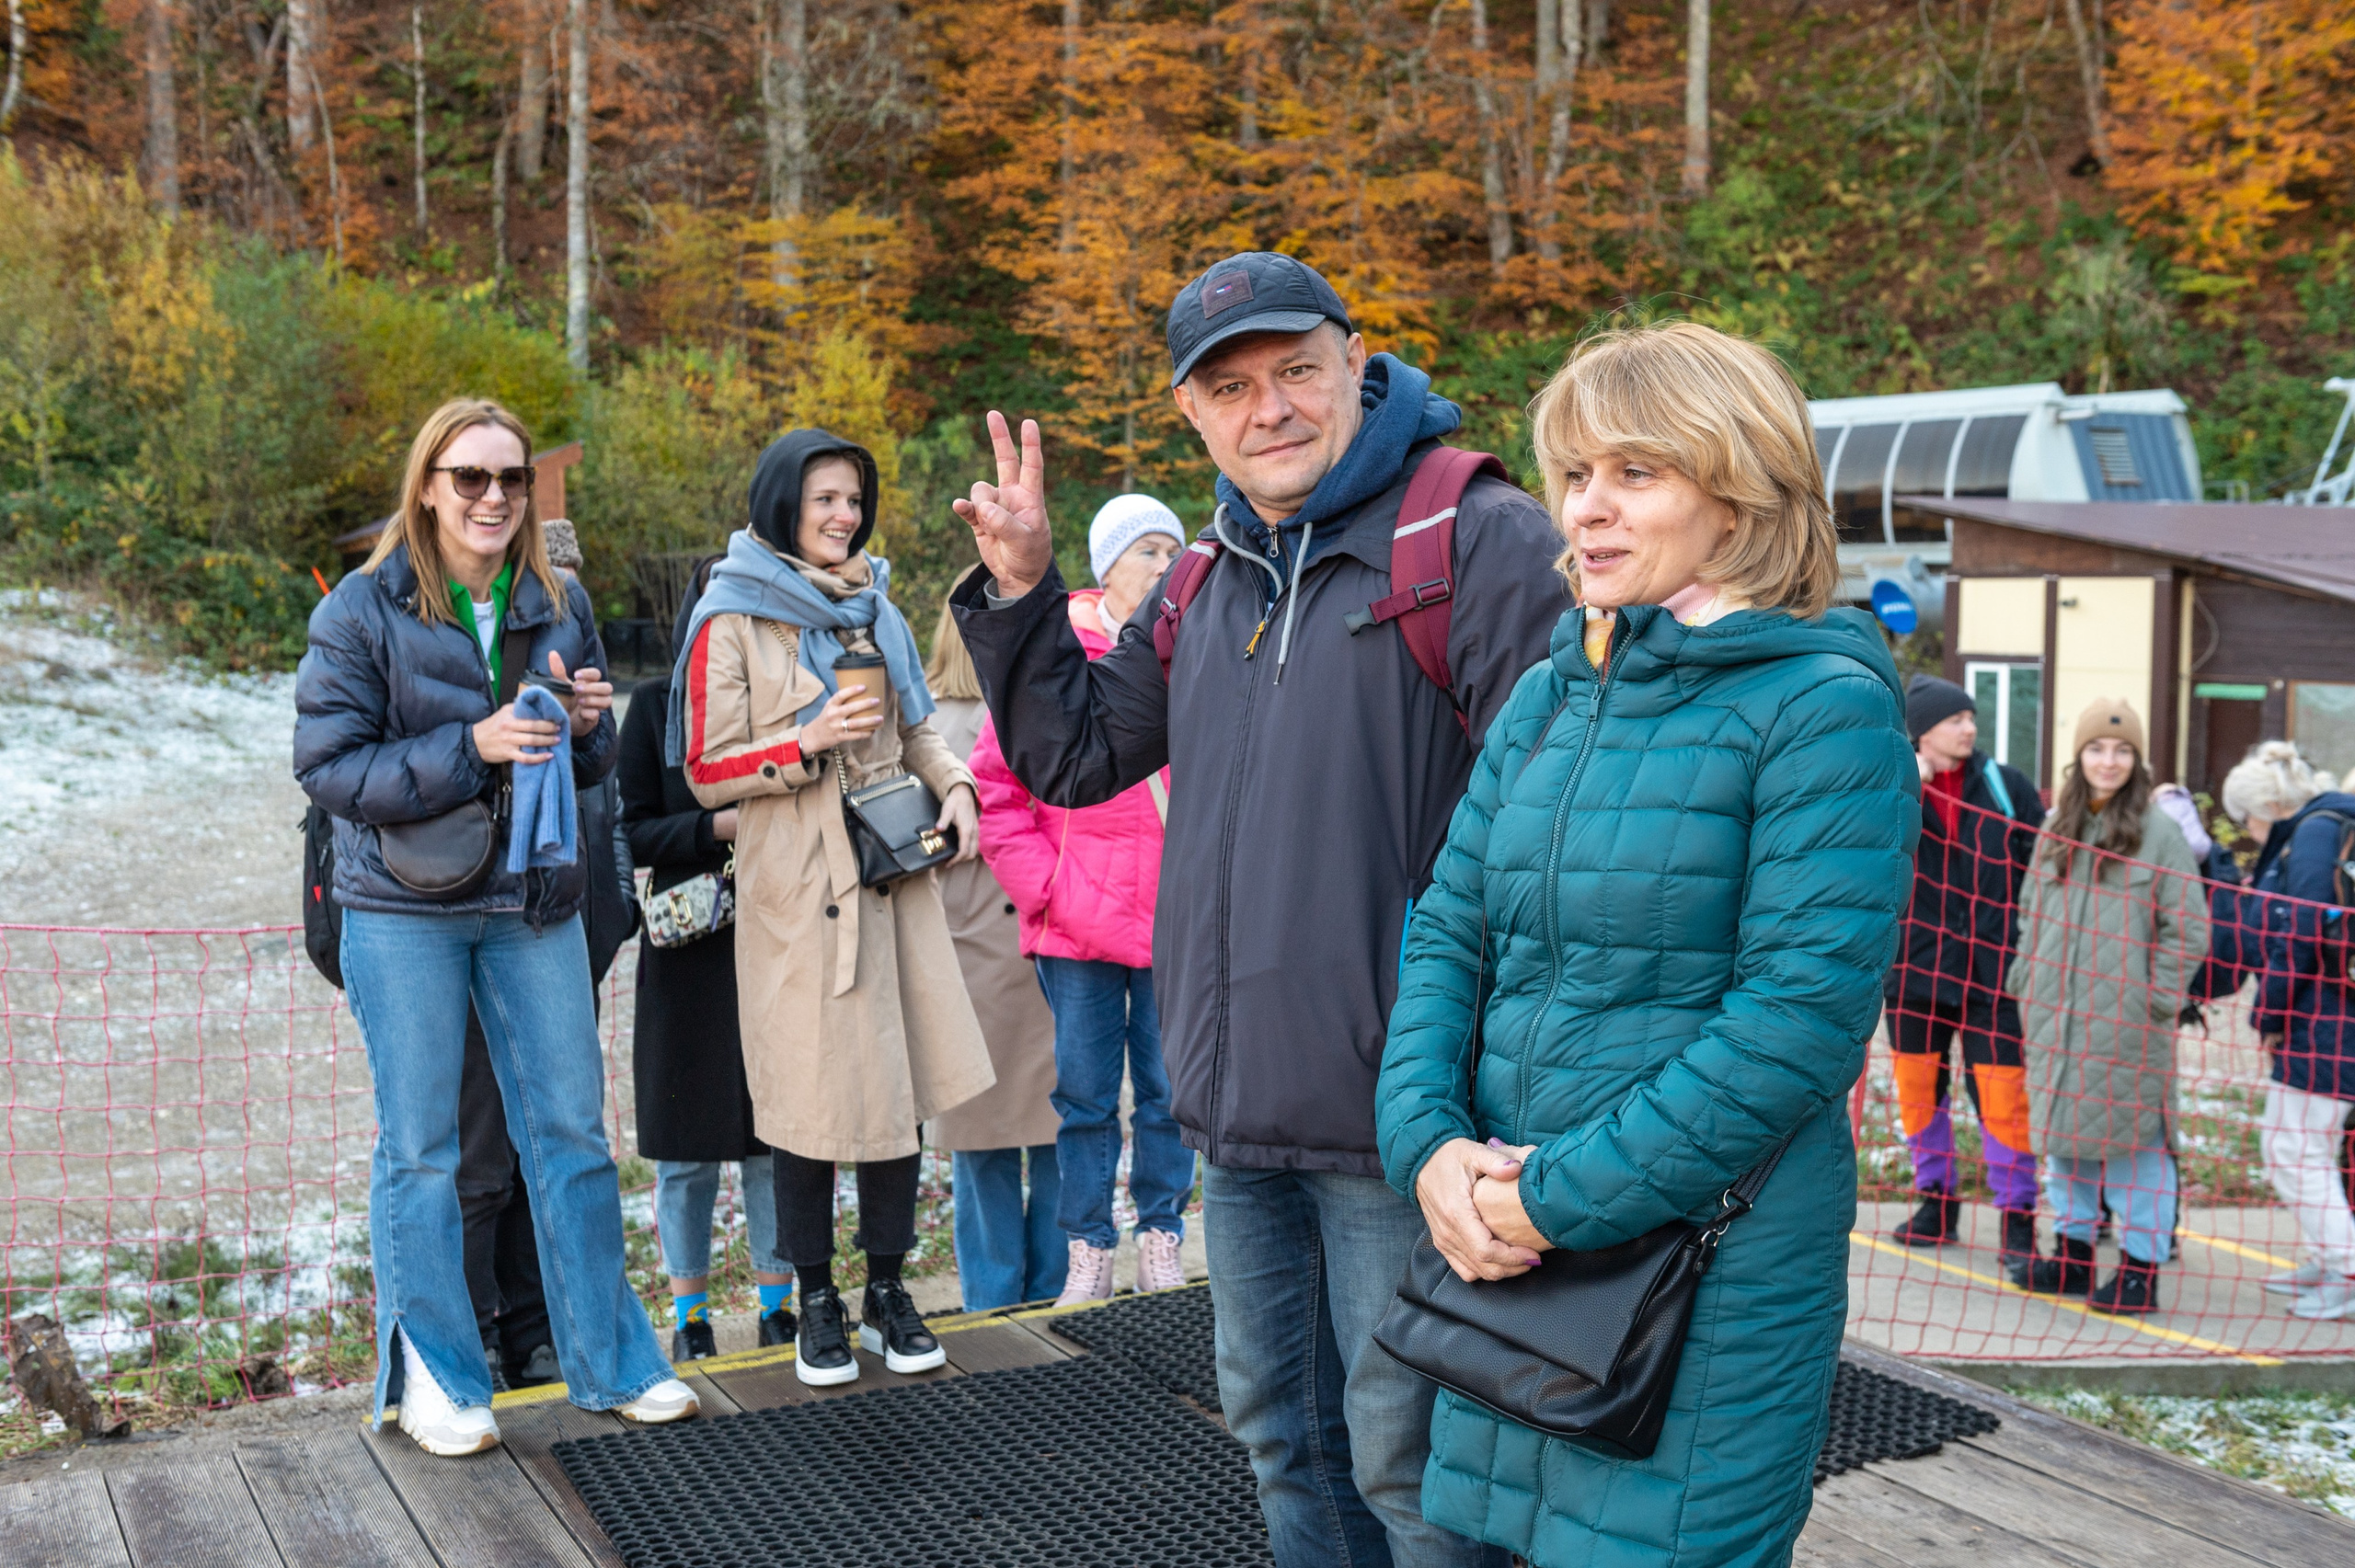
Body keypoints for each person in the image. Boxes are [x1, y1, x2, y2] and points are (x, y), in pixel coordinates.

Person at [953, 251, 1567, 1568]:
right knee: (1286, 1440)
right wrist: (1020, 588)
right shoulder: (1205, 575)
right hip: (1231, 1119)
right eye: (1230, 387)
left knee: (1420, 1472)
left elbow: (1558, 839)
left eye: (1295, 369)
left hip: (1407, 1123)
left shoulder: (1472, 535)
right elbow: (1071, 757)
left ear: (1357, 357)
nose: (1269, 407)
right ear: (1191, 414)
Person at [1375, 323, 1916, 1567]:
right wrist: (1429, 1150)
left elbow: (1794, 1027)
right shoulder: (1554, 689)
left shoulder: (1822, 708)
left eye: (1638, 473)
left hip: (1699, 1285)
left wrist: (1547, 1199)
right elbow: (1449, 934)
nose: (1589, 510)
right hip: (1510, 1251)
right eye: (1574, 475)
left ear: (1737, 489)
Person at [293, 397, 697, 1456]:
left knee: (570, 1137)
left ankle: (612, 1365)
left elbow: (588, 767)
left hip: (533, 903)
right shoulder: (358, 613)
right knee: (422, 1151)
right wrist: (473, 743)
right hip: (403, 909)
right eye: (469, 477)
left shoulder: (560, 599)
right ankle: (438, 1377)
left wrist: (591, 731)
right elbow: (328, 770)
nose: (492, 497)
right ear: (427, 485)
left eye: (510, 479)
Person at [670, 428, 994, 1388]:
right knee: (807, 1097)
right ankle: (816, 1297)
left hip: (892, 884)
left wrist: (959, 788)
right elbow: (701, 769)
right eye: (824, 499)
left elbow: (919, 730)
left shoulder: (877, 609)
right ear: (782, 502)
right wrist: (804, 736)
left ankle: (889, 1288)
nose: (843, 516)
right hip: (795, 888)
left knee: (898, 1090)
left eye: (853, 499)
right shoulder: (728, 617)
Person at [971, 494, 1189, 1304]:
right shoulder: (1055, 654)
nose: (1167, 565)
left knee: (1173, 1095)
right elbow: (997, 789)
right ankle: (1088, 1247)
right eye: (1148, 551)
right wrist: (1047, 890)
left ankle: (1162, 1236)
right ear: (1108, 566)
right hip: (1077, 925)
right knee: (1085, 1099)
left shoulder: (1192, 650)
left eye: (1175, 548)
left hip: (1174, 923)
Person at [455, 520, 638, 1391]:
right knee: (477, 1156)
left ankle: (541, 1331)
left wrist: (589, 727)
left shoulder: (576, 645)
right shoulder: (456, 651)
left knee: (556, 1148)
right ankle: (480, 1328)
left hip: (561, 933)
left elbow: (603, 795)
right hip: (467, 929)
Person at [622, 555, 795, 1360]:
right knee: (686, 1155)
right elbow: (629, 831)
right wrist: (716, 829)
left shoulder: (788, 709)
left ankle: (777, 1305)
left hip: (776, 941)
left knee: (773, 1141)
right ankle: (689, 1318)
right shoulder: (654, 706)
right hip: (686, 953)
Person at [2010, 699, 2209, 1316]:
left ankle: (2139, 1269)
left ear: (2138, 760)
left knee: (2136, 1147)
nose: (2109, 760)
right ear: (2079, 755)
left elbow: (2190, 927)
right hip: (2053, 1015)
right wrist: (2026, 977)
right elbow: (2028, 913)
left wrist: (2158, 998)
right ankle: (2071, 1255)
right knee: (2065, 1139)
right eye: (2097, 748)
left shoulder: (2159, 833)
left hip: (2125, 1021)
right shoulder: (2055, 827)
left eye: (2122, 750)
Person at [925, 568, 1069, 1310]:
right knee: (1051, 1134)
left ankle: (991, 1296)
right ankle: (1050, 1288)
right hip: (1034, 941)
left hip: (968, 949)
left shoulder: (924, 726)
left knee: (983, 1143)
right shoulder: (1028, 710)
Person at [1883, 676, 2046, 1280]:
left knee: (2005, 1101)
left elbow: (2041, 860)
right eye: (1955, 719)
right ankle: (1937, 1203)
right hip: (1914, 973)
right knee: (1919, 1095)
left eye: (1971, 718)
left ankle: (2018, 1220)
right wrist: (1906, 791)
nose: (1968, 728)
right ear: (1921, 729)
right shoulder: (1891, 782)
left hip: (1993, 975)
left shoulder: (2006, 786)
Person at [2223, 741, 2355, 1321]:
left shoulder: (2312, 837)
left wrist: (2268, 1016)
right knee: (2300, 1146)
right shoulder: (2323, 828)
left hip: (2325, 1020)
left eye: (2244, 818)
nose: (2246, 832)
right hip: (2322, 1015)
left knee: (2294, 1148)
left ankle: (2346, 1268)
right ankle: (2329, 1257)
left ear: (2267, 806)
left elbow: (2297, 934)